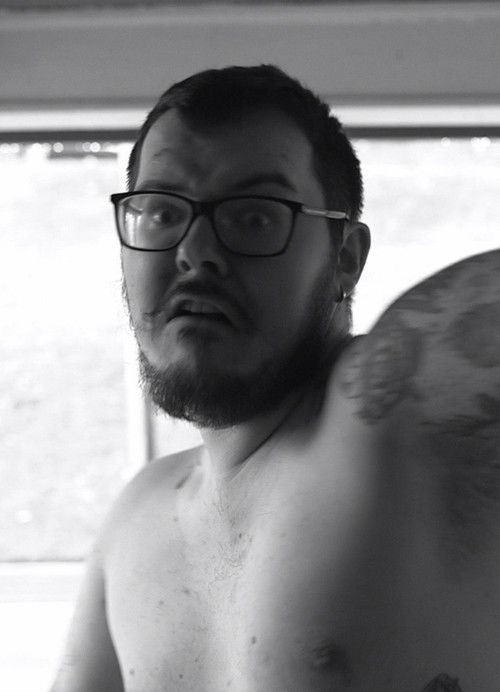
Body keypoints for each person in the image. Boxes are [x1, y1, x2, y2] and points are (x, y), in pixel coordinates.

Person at [51, 65, 500, 692]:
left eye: (255, 217)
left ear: (345, 258)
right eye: (161, 212)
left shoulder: (404, 416)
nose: (195, 252)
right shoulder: (134, 522)